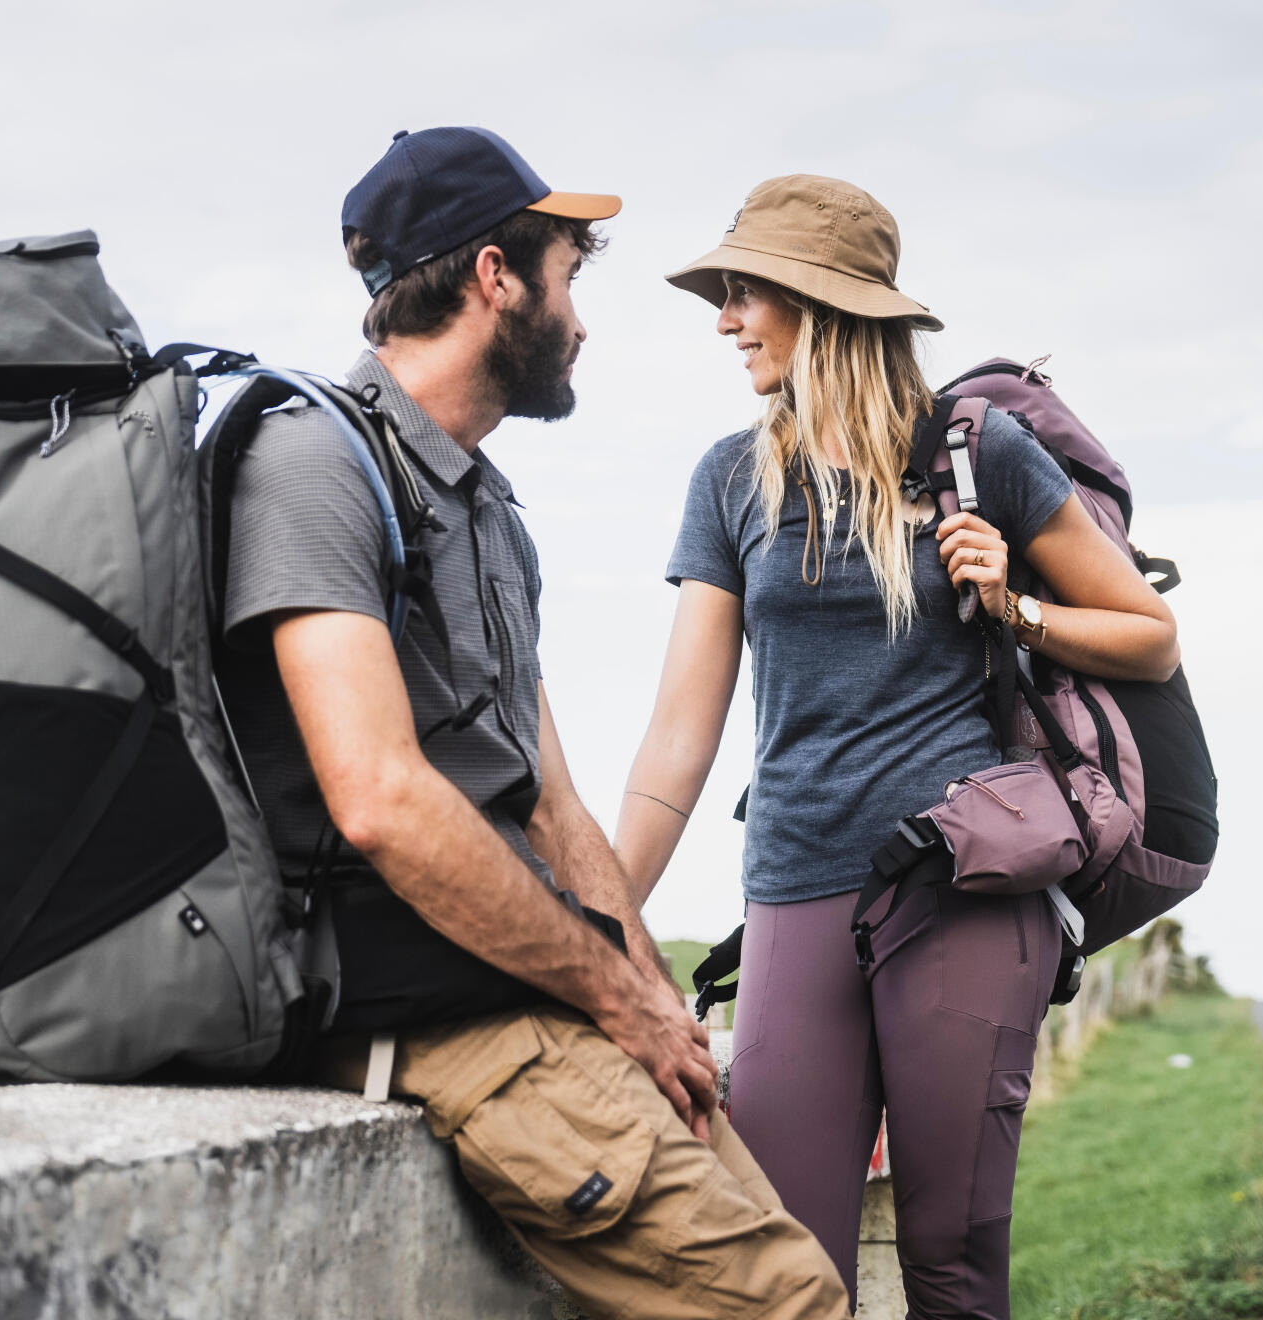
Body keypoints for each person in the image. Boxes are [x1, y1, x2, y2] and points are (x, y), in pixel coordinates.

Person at [213, 130, 848, 1319]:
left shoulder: (487, 511)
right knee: (794, 1302)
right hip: (423, 1010)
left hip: (524, 990)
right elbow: (380, 799)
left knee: (795, 1259)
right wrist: (613, 998)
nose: (582, 320)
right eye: (569, 277)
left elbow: (549, 801)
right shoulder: (311, 468)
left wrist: (652, 994)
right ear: (495, 275)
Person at [614, 174, 1181, 1318]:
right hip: (794, 882)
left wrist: (1016, 606)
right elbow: (680, 735)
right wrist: (595, 921)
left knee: (952, 1265)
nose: (725, 319)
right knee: (785, 1268)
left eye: (744, 293)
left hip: (964, 881)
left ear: (818, 305)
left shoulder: (981, 457)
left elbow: (1149, 637)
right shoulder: (730, 478)